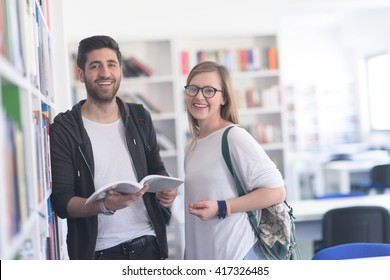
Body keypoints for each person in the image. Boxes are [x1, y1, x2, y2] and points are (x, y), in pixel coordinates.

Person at [50, 35, 178, 260]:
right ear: (81, 74)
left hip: (149, 244)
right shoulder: (65, 128)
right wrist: (103, 206)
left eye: (111, 65)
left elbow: (156, 168)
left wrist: (167, 190)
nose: (105, 73)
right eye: (95, 66)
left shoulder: (140, 116)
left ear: (120, 70)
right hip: (98, 253)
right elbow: (62, 202)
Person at [184, 61, 286, 260]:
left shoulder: (233, 137)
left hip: (235, 254)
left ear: (224, 98)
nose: (199, 96)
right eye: (193, 88)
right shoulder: (193, 145)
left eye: (209, 90)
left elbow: (276, 191)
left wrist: (222, 207)